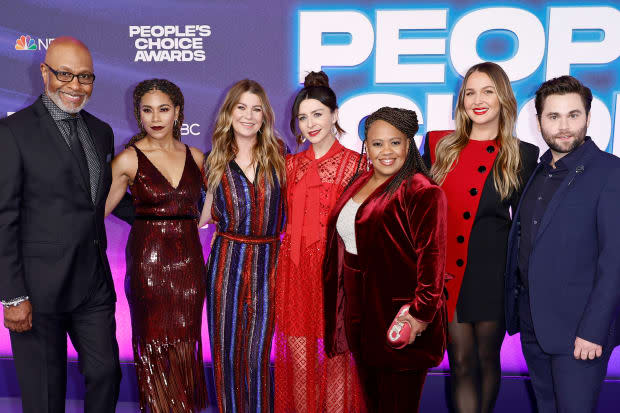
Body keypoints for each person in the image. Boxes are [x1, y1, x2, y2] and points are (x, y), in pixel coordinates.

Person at [0, 37, 133, 413]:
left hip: (92, 284)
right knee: (45, 395)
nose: (75, 86)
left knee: (107, 373)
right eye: (65, 74)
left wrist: (173, 217)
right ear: (44, 73)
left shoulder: (101, 131)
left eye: (85, 77)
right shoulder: (11, 133)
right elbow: (3, 218)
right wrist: (12, 295)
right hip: (36, 290)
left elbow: (104, 196)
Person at [422, 62, 539, 413]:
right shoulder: (437, 145)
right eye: (470, 92)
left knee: (487, 358)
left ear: (502, 98)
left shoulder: (522, 154)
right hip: (447, 274)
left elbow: (525, 227)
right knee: (459, 360)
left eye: (487, 91)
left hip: (493, 272)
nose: (478, 99)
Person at [505, 75, 620, 413]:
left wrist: (594, 330)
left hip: (580, 334)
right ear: (538, 120)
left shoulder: (610, 172)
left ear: (587, 116)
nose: (564, 126)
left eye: (574, 115)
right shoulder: (536, 172)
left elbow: (614, 260)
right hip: (533, 327)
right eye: (553, 117)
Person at [324, 107, 448, 412]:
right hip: (361, 316)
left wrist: (420, 315)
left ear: (409, 144)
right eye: (377, 144)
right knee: (375, 404)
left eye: (395, 142)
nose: (386, 152)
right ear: (367, 145)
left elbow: (432, 259)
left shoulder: (421, 190)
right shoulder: (359, 181)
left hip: (399, 317)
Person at [104, 79, 207, 412]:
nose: (156, 117)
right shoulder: (128, 161)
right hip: (149, 265)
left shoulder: (196, 156)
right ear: (139, 114)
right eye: (147, 110)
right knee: (153, 348)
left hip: (190, 267)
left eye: (163, 109)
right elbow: (94, 210)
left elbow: (211, 207)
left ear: (177, 112)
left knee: (183, 347)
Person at [274, 71, 364, 413]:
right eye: (303, 117)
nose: (310, 124)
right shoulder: (289, 166)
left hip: (336, 276)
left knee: (337, 359)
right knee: (299, 363)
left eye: (317, 114)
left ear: (334, 115)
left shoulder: (358, 164)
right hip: (295, 274)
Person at [201, 79, 286, 413]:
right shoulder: (213, 160)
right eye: (242, 107)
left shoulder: (280, 156)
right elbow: (202, 216)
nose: (249, 116)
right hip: (226, 263)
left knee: (257, 356)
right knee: (226, 355)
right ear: (229, 112)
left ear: (264, 116)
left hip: (268, 262)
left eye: (256, 109)